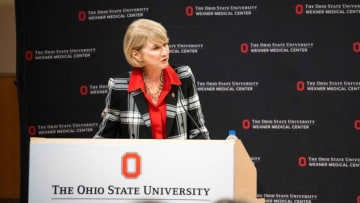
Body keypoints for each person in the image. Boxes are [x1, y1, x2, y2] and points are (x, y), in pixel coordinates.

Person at [94, 19, 209, 139]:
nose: (165, 52)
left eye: (165, 44)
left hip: (178, 157)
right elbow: (104, 138)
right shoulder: (119, 86)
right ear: (136, 55)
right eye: (156, 48)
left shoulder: (183, 76)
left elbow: (198, 131)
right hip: (140, 157)